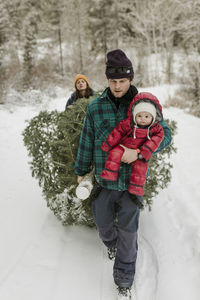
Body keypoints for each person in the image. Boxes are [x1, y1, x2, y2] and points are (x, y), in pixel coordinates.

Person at [74, 49, 171, 300]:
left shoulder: (143, 103)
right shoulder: (96, 107)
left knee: (129, 234)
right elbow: (87, 139)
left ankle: (124, 282)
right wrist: (81, 171)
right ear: (107, 80)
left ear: (130, 79)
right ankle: (111, 244)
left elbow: (166, 134)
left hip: (131, 184)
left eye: (122, 81)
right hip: (104, 181)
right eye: (113, 81)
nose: (117, 86)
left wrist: (139, 153)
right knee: (103, 223)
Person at [101, 92, 164, 197]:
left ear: (153, 117)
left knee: (141, 167)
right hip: (124, 146)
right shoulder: (128, 123)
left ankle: (136, 188)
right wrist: (108, 145)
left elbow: (155, 141)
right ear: (134, 115)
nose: (142, 119)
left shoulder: (155, 129)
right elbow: (117, 133)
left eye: (147, 116)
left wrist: (142, 152)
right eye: (139, 116)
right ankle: (109, 174)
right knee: (114, 153)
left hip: (139, 150)